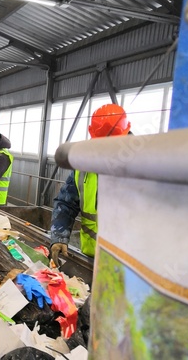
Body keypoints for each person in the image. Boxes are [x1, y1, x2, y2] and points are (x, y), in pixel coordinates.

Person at [49, 104, 131, 267]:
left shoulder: (142, 167)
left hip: (125, 264)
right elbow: (66, 203)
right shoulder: (83, 167)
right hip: (90, 257)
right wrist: (59, 237)